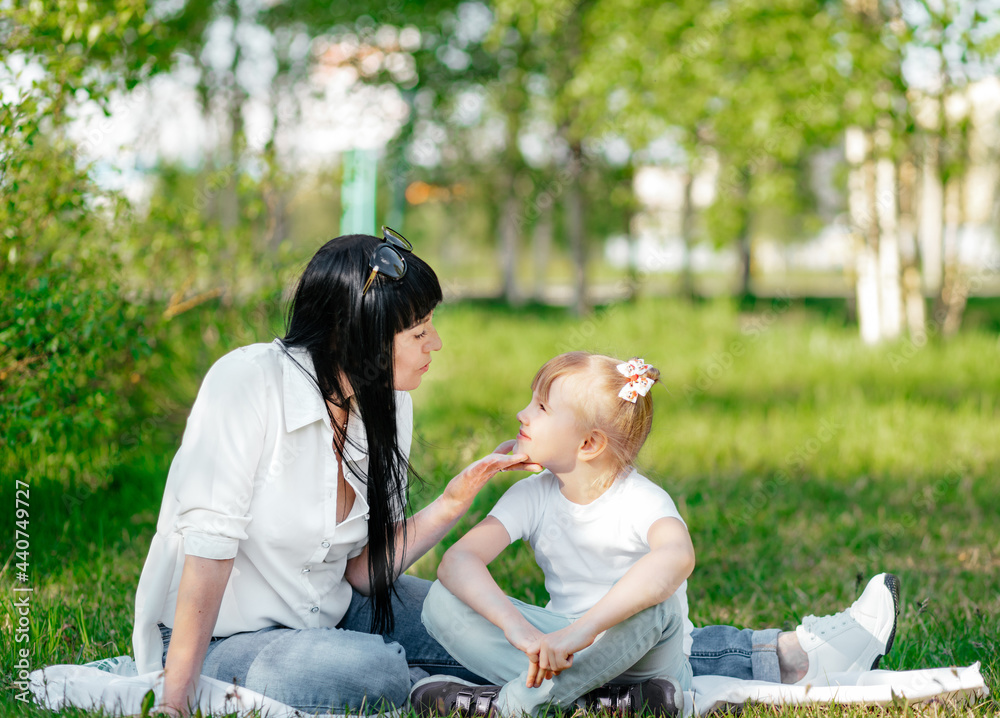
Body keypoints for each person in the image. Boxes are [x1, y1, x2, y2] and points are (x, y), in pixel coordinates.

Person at [132, 229, 899, 716]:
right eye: (421, 334)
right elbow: (208, 556)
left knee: (533, 628)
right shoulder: (247, 385)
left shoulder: (383, 402)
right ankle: (517, 692)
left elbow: (364, 573)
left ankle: (784, 655)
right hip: (226, 633)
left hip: (340, 606)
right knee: (348, 670)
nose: (435, 350)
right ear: (358, 335)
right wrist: (174, 700)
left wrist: (451, 504)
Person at [415, 352, 901, 717]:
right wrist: (519, 630)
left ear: (588, 444)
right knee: (439, 600)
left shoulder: (641, 499)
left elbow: (676, 558)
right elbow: (458, 563)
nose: (522, 413)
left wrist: (579, 633)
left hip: (641, 656)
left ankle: (516, 704)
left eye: (540, 406)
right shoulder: (531, 496)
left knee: (659, 602)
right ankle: (602, 702)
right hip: (564, 653)